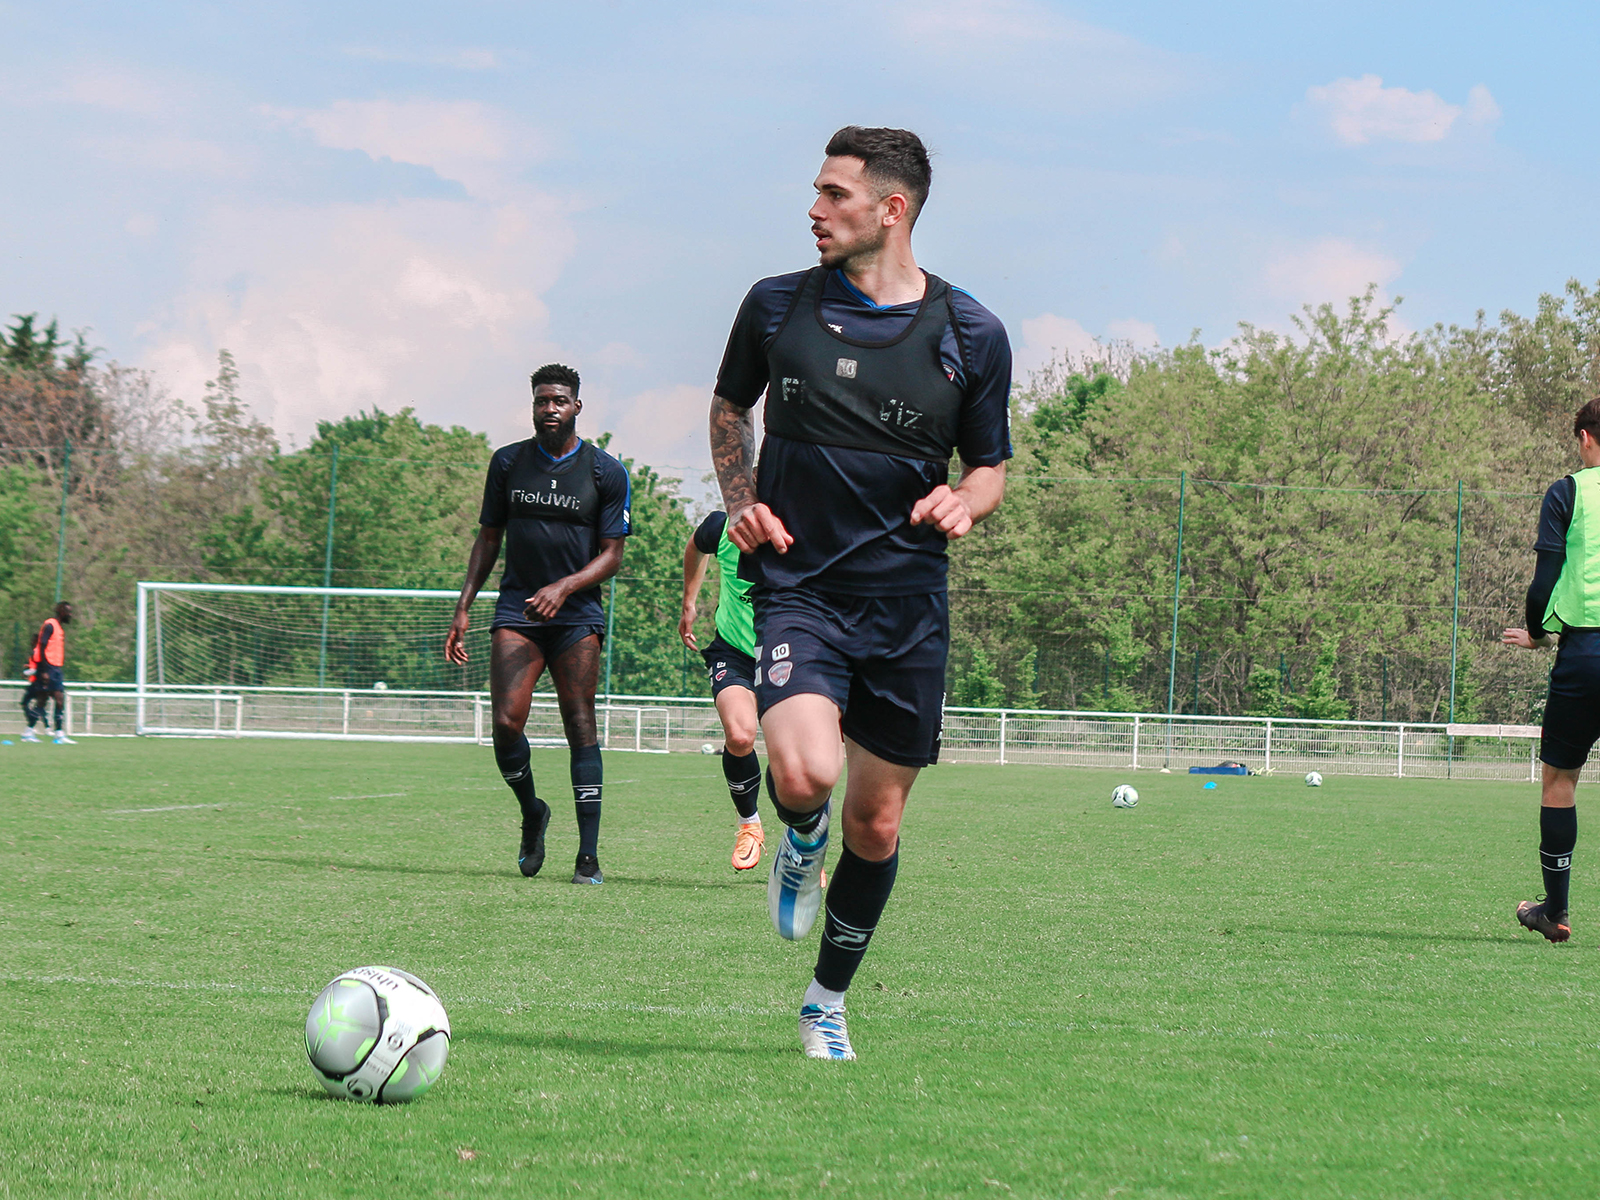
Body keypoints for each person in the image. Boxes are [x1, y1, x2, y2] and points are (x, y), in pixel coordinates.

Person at [708, 126, 1011, 1059]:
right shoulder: (774, 307)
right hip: (800, 587)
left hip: (908, 606)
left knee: (876, 823)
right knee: (804, 773)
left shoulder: (971, 332)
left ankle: (825, 1003)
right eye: (816, 191)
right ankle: (800, 837)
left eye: (835, 194)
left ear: (893, 209)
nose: (814, 209)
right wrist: (743, 501)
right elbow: (729, 408)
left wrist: (964, 500)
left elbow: (992, 466)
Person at [446, 364, 631, 885]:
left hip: (577, 618)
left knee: (580, 727)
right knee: (506, 723)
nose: (549, 408)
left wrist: (565, 587)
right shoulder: (507, 463)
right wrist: (463, 605)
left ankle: (588, 856)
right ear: (533, 406)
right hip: (517, 613)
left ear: (577, 407)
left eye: (559, 400)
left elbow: (612, 554)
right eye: (541, 400)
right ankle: (532, 811)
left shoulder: (605, 472)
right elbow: (488, 538)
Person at [1503, 397, 1600, 942]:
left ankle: (1555, 911)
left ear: (1585, 438)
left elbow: (1545, 581)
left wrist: (1539, 632)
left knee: (1560, 780)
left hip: (1585, 655)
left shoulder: (1569, 490)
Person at [680, 510, 768, 871]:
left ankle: (804, 846)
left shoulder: (808, 530)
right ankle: (750, 825)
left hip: (792, 653)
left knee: (795, 760)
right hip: (734, 651)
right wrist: (689, 600)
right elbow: (694, 547)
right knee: (740, 734)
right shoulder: (723, 525)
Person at [21, 602, 74, 745]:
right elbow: (42, 645)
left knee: (44, 701)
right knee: (57, 698)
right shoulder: (50, 624)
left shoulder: (59, 627)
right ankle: (58, 733)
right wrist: (43, 670)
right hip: (48, 667)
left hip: (55, 667)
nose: (71, 615)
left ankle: (29, 731)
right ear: (61, 611)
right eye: (68, 612)